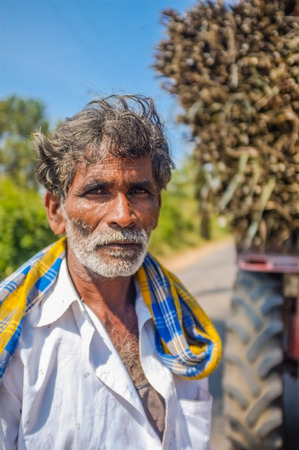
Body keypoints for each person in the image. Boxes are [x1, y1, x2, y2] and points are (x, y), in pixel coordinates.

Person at [0, 94, 221, 450]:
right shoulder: (16, 341)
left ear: (157, 207)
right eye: (97, 191)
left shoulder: (183, 325)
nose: (124, 214)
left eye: (139, 191)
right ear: (56, 211)